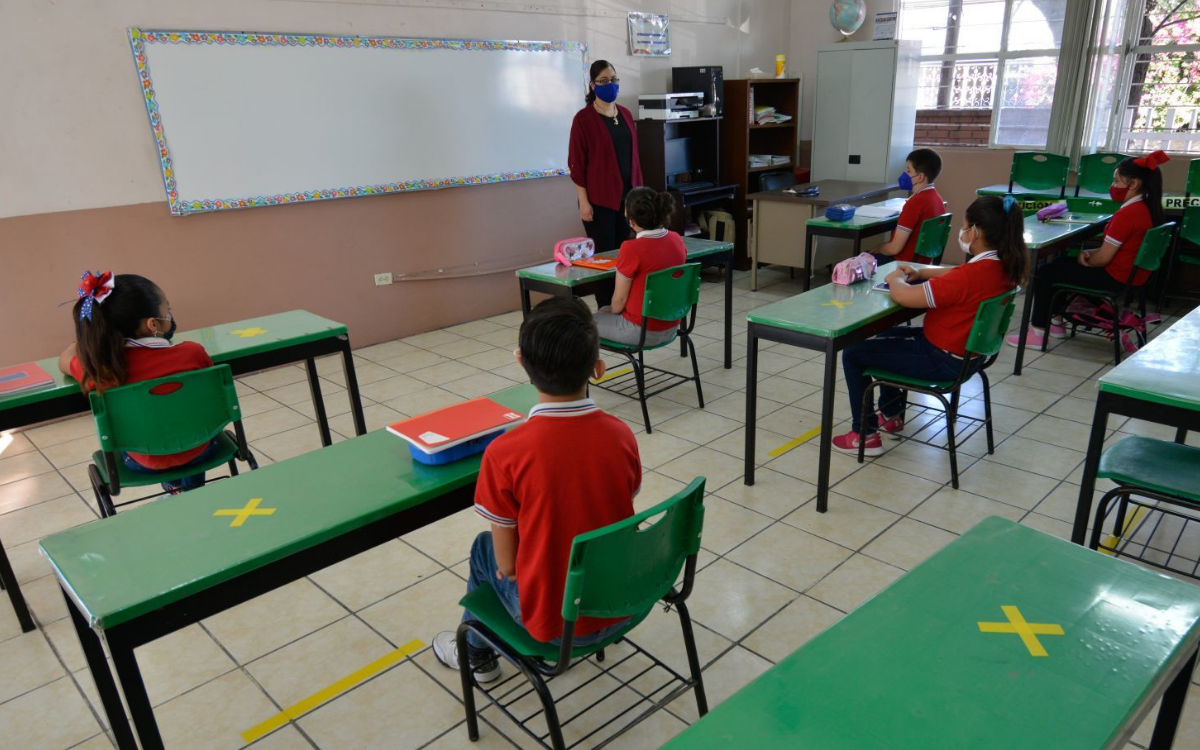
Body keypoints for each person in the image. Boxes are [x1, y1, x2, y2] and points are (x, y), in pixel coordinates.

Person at [431, 297, 641, 682]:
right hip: (623, 603)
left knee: (483, 549)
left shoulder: (504, 453)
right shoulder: (621, 435)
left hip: (556, 628)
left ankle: (476, 655)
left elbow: (508, 566)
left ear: (521, 363)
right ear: (598, 369)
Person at [833, 195, 1029, 456]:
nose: (962, 233)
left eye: (964, 227)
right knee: (882, 337)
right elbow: (958, 274)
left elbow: (905, 297)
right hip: (970, 357)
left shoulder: (969, 277)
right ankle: (891, 414)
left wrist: (895, 279)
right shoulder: (1004, 267)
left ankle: (865, 435)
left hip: (940, 359)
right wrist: (922, 272)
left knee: (853, 353)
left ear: (975, 232)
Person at [57, 272, 218, 493]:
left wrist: (88, 340)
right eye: (167, 311)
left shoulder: (100, 371)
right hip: (200, 449)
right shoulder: (192, 353)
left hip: (143, 462)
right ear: (153, 324)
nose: (170, 315)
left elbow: (64, 361)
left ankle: (175, 488)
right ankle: (192, 491)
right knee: (187, 427)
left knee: (149, 435)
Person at [1005, 151, 1169, 350]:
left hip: (1115, 277)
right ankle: (1056, 322)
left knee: (1044, 273)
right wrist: (1090, 253)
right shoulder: (1148, 208)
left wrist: (1088, 258)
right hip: (1134, 275)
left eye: (1116, 181)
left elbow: (1103, 259)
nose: (1113, 186)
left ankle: (1038, 332)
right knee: (1059, 264)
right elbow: (1117, 249)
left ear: (1133, 184)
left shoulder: (1128, 214)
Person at [568, 60, 644, 308]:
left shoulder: (625, 114)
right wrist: (583, 202)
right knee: (604, 256)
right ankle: (605, 306)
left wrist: (638, 197)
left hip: (627, 199)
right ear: (592, 85)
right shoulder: (583, 119)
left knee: (624, 254)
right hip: (599, 201)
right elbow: (577, 165)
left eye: (613, 80)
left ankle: (622, 304)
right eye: (603, 81)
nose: (610, 85)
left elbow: (634, 158)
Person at [593, 187, 687, 346]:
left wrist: (611, 311)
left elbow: (619, 301)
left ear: (631, 220)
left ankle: (588, 362)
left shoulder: (631, 249)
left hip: (639, 331)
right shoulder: (677, 239)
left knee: (582, 322)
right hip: (672, 327)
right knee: (604, 311)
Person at [872, 148, 945, 264]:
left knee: (856, 262)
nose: (905, 175)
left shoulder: (915, 203)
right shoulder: (937, 199)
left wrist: (878, 248)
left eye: (908, 171)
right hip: (922, 262)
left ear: (920, 177)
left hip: (902, 263)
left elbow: (894, 248)